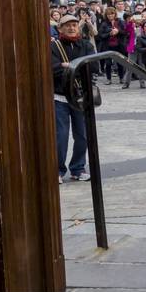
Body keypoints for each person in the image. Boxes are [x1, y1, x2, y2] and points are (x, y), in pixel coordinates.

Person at [50, 14, 96, 184]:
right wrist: (76, 66)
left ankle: (78, 168)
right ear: (60, 28)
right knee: (60, 136)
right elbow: (52, 69)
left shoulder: (85, 44)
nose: (71, 28)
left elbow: (93, 67)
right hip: (59, 97)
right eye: (67, 25)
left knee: (82, 135)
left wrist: (68, 66)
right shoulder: (53, 46)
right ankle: (58, 170)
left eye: (74, 25)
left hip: (79, 97)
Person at [97, 6, 127, 84]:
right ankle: (108, 79)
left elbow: (125, 32)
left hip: (119, 45)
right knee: (108, 63)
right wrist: (109, 33)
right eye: (108, 15)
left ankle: (121, 78)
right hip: (108, 46)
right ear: (106, 15)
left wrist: (118, 31)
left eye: (112, 14)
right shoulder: (104, 23)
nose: (110, 16)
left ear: (115, 14)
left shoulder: (120, 21)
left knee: (120, 62)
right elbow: (100, 35)